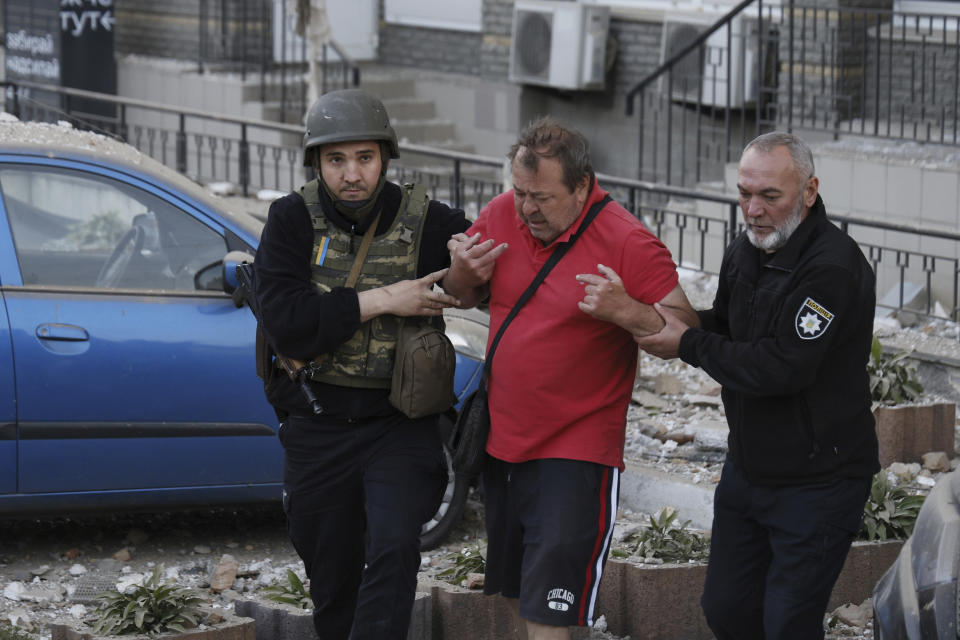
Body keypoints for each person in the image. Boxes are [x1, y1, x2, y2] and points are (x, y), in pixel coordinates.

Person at [443, 116, 698, 640]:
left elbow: (685, 334)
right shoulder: (501, 214)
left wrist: (628, 311)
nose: (527, 209)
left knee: (552, 609)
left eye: (541, 197)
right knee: (521, 593)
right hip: (505, 441)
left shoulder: (628, 241)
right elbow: (460, 294)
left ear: (582, 186)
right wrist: (462, 274)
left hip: (577, 451)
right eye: (520, 193)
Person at [633, 131, 880, 640]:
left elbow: (781, 368)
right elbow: (726, 325)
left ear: (809, 191)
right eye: (745, 194)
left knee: (787, 623)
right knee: (727, 611)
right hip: (749, 473)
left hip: (820, 482)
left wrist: (688, 345)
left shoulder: (831, 267)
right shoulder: (746, 250)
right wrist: (665, 323)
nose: (753, 210)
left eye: (770, 196)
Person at [254, 88, 470, 640]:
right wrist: (385, 300)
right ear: (317, 163)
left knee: (395, 546)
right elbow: (287, 322)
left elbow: (477, 279)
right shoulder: (290, 219)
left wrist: (470, 271)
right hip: (318, 422)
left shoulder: (428, 221)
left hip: (399, 424)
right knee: (331, 575)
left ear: (386, 158)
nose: (352, 174)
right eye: (336, 159)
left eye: (365, 158)